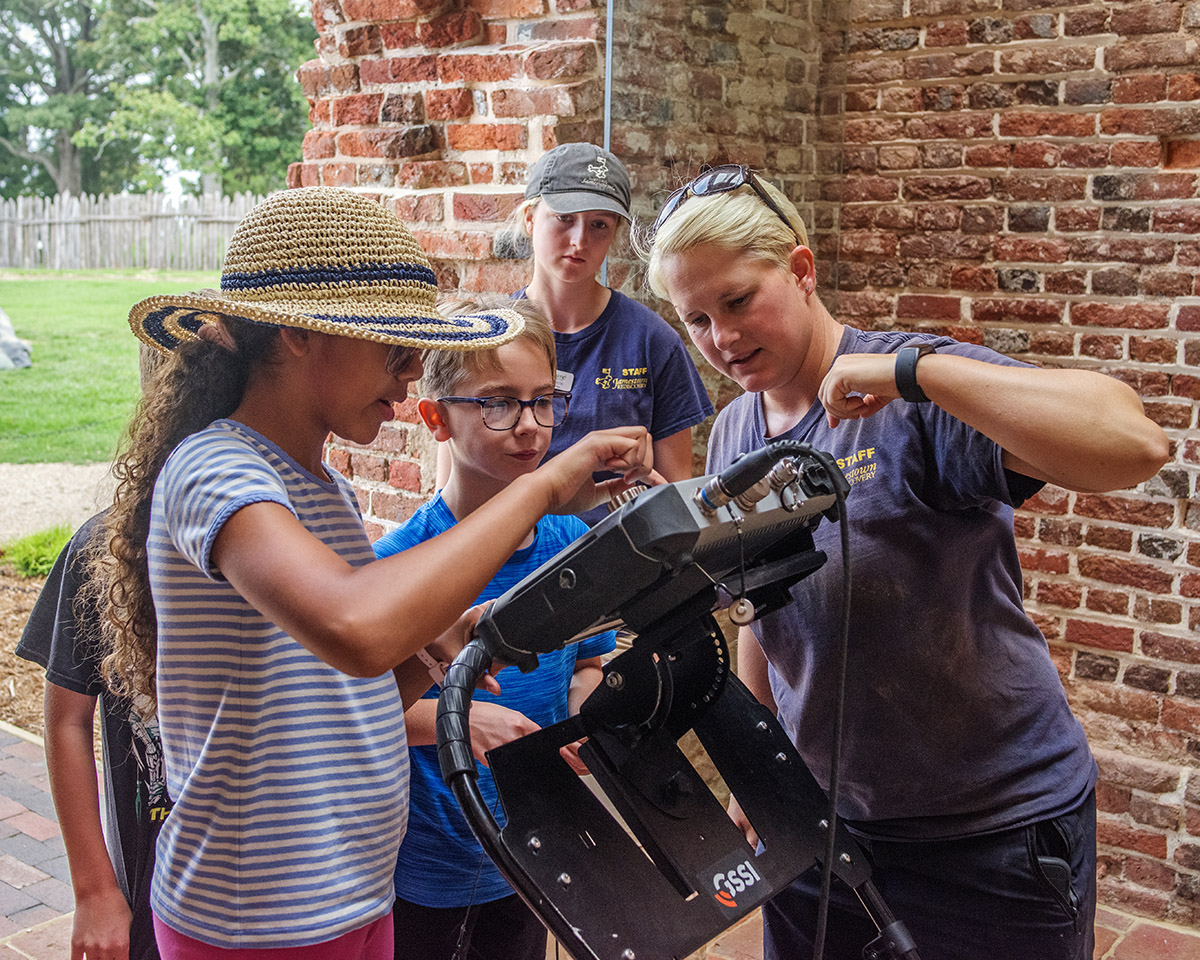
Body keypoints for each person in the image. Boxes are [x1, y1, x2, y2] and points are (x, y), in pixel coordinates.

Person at [97, 186, 653, 959]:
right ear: (299, 337)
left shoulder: (321, 488)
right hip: (261, 911)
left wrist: (429, 651)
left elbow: (333, 697)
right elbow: (358, 630)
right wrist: (544, 488)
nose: (410, 370)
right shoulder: (214, 467)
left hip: (351, 891)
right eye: (393, 347)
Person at [639, 165, 1170, 960]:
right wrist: (761, 765)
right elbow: (763, 606)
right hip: (826, 828)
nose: (723, 338)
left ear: (801, 269)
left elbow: (1134, 443)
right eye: (697, 319)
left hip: (991, 834)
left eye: (739, 301)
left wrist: (914, 375)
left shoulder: (910, 392)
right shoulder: (738, 432)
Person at [375, 297, 614, 960]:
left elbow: (588, 661)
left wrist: (584, 716)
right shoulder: (400, 561)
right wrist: (461, 719)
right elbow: (356, 714)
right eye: (498, 402)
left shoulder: (571, 545)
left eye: (543, 400)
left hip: (533, 849)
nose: (530, 427)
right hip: (431, 859)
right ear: (435, 417)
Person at [436, 142, 713, 521]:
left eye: (599, 225)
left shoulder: (653, 341)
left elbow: (673, 498)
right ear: (531, 218)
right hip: (505, 557)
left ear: (615, 233)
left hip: (619, 560)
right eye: (565, 218)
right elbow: (448, 495)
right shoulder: (485, 336)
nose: (580, 240)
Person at [18, 512, 169, 960]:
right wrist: (94, 890)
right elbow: (67, 719)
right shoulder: (110, 544)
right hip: (149, 891)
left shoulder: (306, 525)